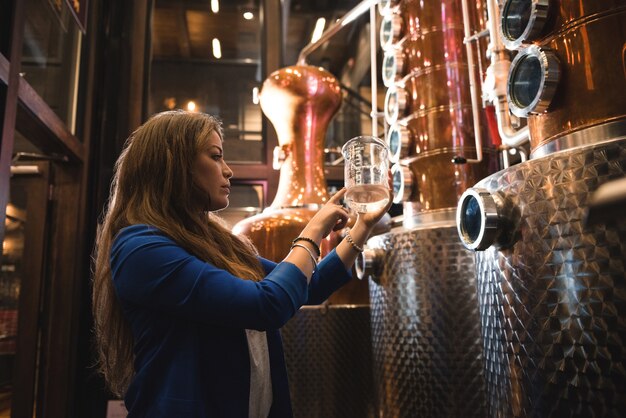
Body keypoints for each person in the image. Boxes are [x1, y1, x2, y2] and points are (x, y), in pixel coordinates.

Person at [92, 110, 391, 418]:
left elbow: (309, 286)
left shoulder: (215, 243)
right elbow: (266, 305)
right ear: (174, 164)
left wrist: (362, 227)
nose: (228, 170)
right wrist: (313, 230)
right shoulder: (140, 249)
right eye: (216, 156)